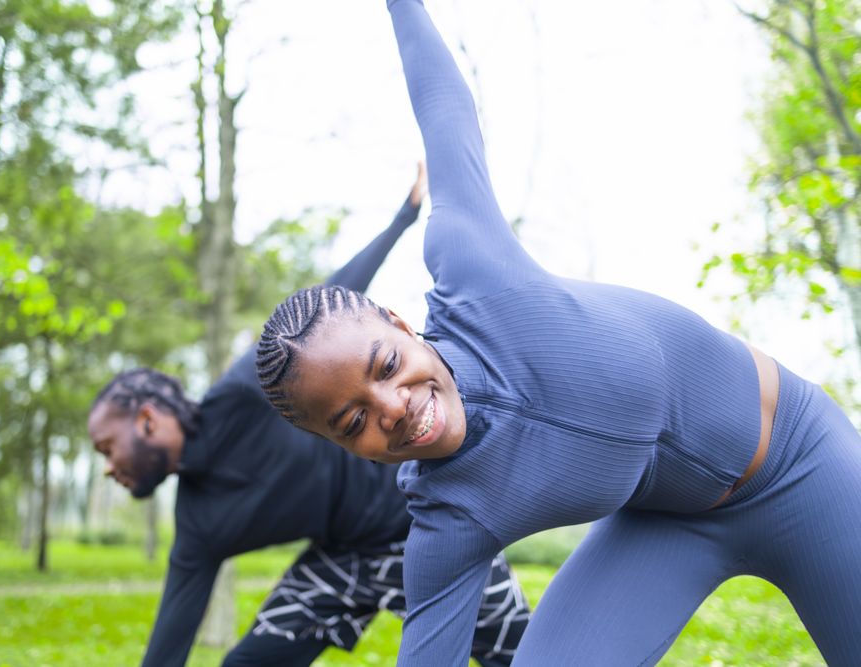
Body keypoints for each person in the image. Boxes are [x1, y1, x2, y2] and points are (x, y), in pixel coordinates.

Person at [254, 1, 861, 665]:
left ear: (402, 325)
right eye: (353, 420)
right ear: (342, 447)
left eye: (387, 365)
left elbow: (443, 103)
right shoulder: (448, 521)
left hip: (801, 460)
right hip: (664, 530)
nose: (394, 407)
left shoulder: (475, 270)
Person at [87, 165, 531, 667]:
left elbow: (324, 320)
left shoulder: (241, 395)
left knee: (528, 659)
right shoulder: (198, 523)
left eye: (107, 447)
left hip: (421, 525)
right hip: (341, 561)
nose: (107, 465)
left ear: (148, 420)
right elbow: (172, 633)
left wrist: (402, 218)